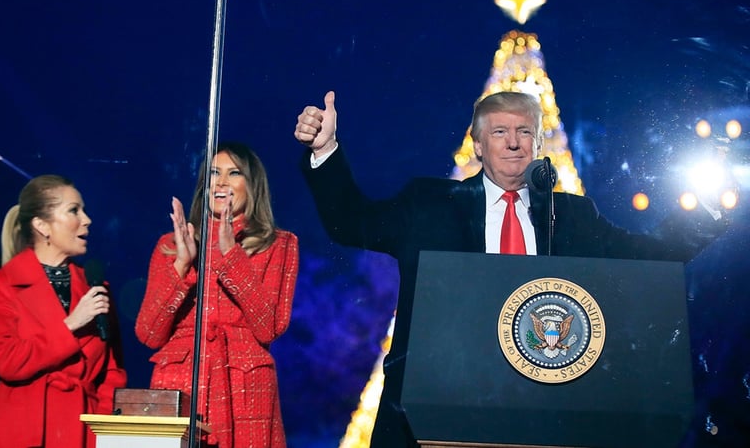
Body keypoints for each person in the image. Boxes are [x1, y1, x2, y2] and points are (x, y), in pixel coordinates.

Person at [294, 90, 728, 447]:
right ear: (478, 144)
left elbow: (647, 256)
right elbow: (352, 222)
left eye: (524, 132)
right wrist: (324, 150)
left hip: (542, 416)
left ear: (538, 144)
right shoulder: (428, 205)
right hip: (430, 411)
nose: (513, 142)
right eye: (499, 132)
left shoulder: (574, 216)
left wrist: (709, 208)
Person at [136, 142, 299, 448]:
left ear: (252, 186)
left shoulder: (278, 243)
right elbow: (148, 334)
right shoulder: (171, 245)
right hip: (181, 384)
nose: (221, 182)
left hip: (243, 388)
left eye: (233, 173)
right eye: (214, 173)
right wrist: (182, 264)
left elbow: (269, 327)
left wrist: (230, 256)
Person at [0, 174, 127, 448]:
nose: (87, 220)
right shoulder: (3, 282)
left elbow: (112, 372)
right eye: (74, 210)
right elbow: (6, 360)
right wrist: (69, 325)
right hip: (23, 431)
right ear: (42, 225)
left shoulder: (96, 287)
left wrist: (103, 428)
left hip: (82, 431)